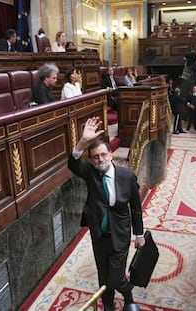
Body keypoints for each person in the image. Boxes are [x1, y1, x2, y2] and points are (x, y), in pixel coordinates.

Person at [67, 116, 145, 311]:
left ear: (111, 154)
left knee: (115, 277)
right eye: (95, 157)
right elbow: (73, 164)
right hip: (99, 235)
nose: (100, 159)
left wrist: (140, 234)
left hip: (120, 233)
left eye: (103, 155)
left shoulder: (127, 176)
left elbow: (135, 208)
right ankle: (108, 305)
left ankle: (128, 296)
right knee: (103, 275)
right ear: (92, 160)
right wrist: (82, 142)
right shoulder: (90, 173)